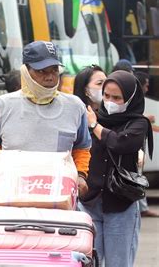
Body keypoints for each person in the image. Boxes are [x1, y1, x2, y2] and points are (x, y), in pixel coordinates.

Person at [0, 41, 91, 198]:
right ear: (26, 71)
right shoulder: (3, 105)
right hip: (11, 194)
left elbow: (82, 147)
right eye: (42, 71)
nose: (49, 77)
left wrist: (81, 175)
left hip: (58, 195)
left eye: (54, 70)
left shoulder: (75, 106)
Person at [81, 70, 154, 266]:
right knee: (87, 261)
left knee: (118, 263)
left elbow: (120, 143)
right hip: (90, 202)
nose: (109, 101)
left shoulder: (138, 123)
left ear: (130, 98)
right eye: (106, 95)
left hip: (120, 204)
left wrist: (95, 126)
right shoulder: (94, 117)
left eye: (116, 97)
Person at [134, 71, 159, 218]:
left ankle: (142, 207)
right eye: (146, 85)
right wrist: (145, 119)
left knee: (139, 174)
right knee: (137, 174)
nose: (148, 89)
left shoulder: (138, 99)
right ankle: (142, 208)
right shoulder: (133, 100)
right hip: (135, 145)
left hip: (139, 144)